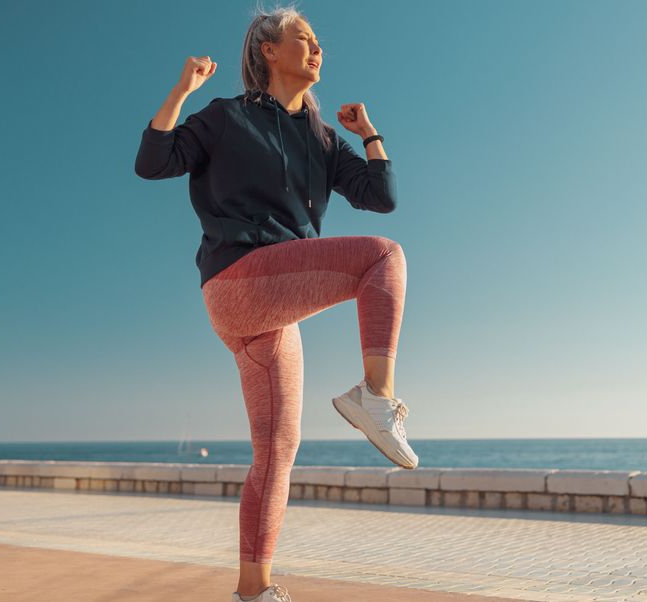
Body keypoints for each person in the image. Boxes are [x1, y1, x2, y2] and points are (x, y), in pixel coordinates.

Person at [134, 6, 418, 601]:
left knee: (277, 452)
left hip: (274, 305)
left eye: (319, 42)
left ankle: (253, 591)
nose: (317, 49)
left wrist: (368, 132)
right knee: (382, 259)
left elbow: (382, 195)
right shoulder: (225, 117)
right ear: (268, 50)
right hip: (240, 277)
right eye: (304, 39)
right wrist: (182, 91)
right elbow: (153, 162)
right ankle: (375, 396)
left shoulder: (322, 136)